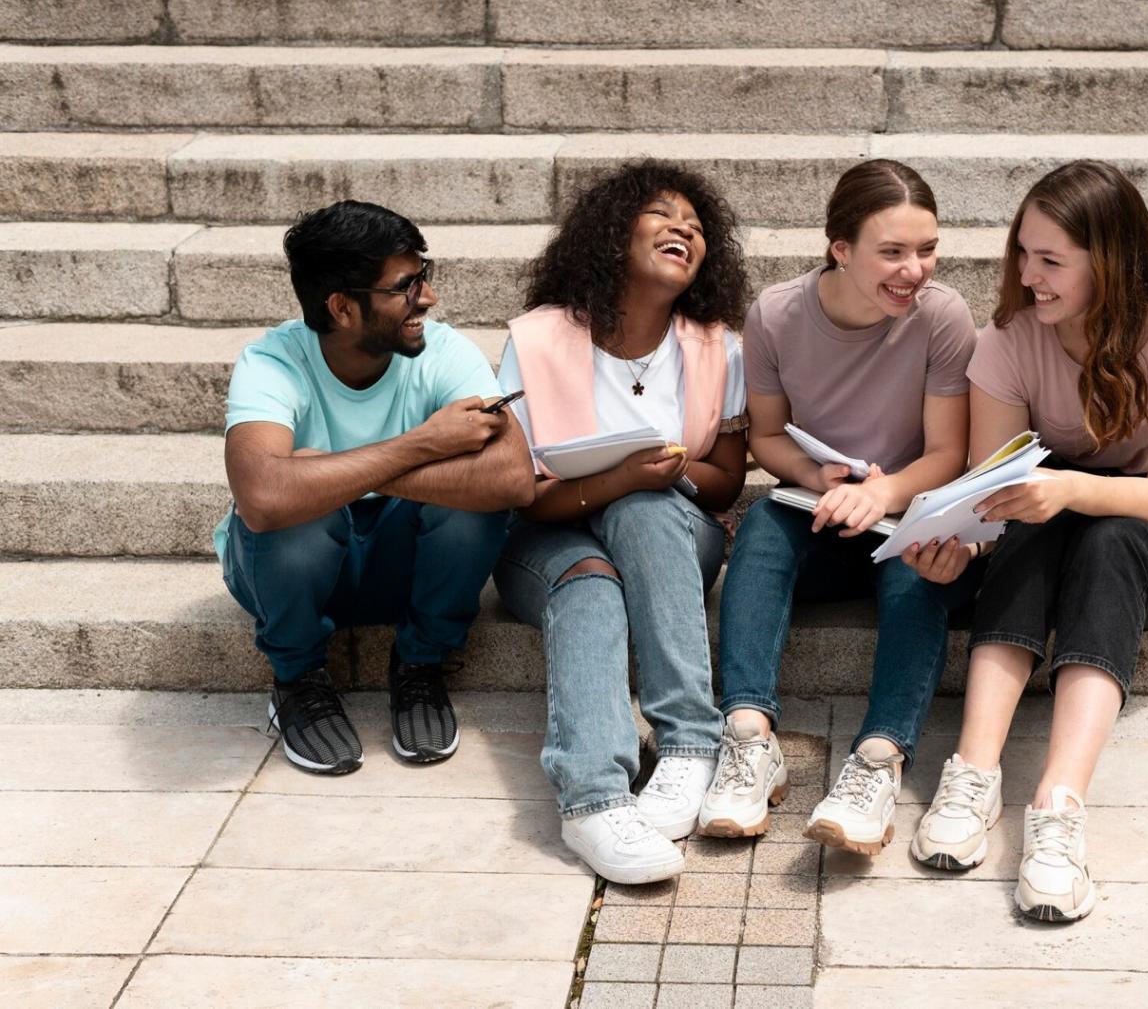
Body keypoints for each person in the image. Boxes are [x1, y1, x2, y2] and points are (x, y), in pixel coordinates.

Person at [905, 160, 1148, 921]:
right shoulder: (1009, 339)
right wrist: (961, 546)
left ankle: (1056, 809)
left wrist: (1066, 490)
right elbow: (991, 492)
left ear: (1112, 262)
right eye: (1023, 253)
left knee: (1110, 532)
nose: (1028, 277)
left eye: (1051, 261)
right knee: (1032, 523)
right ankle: (974, 773)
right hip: (1046, 517)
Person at [698, 160, 979, 856]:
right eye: (891, 252)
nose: (913, 270)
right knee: (763, 523)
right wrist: (812, 476)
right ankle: (747, 740)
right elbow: (765, 437)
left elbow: (948, 452)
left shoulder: (941, 316)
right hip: (818, 512)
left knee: (919, 559)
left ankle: (878, 760)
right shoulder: (777, 314)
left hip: (904, 508)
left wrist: (881, 493)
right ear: (840, 248)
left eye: (926, 250)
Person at [492, 161, 750, 885]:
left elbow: (728, 479)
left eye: (696, 228)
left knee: (640, 511)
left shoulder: (715, 345)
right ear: (610, 234)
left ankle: (689, 744)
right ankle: (594, 802)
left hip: (667, 533)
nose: (683, 230)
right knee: (589, 584)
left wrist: (668, 475)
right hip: (548, 540)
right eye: (662, 216)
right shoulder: (537, 339)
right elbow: (521, 493)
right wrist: (613, 478)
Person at [219, 200, 533, 775]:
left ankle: (420, 667)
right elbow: (262, 498)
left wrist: (324, 471)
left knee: (472, 505)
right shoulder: (272, 362)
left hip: (402, 564)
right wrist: (424, 444)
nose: (428, 299)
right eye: (406, 286)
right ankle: (296, 681)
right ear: (342, 307)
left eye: (424, 278)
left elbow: (513, 478)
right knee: (295, 512)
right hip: (292, 574)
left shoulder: (445, 351)